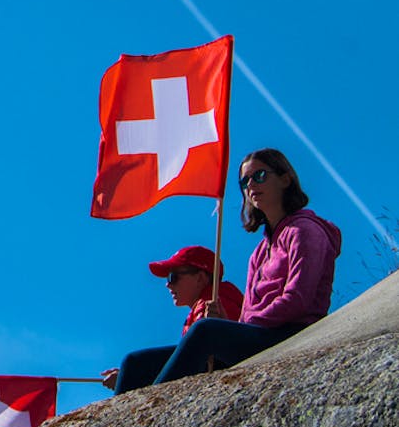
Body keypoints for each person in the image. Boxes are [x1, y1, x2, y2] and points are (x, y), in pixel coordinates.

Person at [151, 148, 342, 385]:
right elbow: (247, 312)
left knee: (205, 332)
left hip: (293, 332)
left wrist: (242, 326)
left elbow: (298, 301)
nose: (251, 185)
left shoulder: (306, 231)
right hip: (260, 334)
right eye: (244, 181)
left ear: (285, 179)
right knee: (137, 363)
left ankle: (162, 412)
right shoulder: (259, 253)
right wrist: (230, 324)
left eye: (259, 176)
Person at [101, 246, 243, 395]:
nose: (168, 284)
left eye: (173, 277)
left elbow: (203, 359)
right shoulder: (213, 300)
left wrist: (134, 374)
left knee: (134, 363)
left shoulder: (214, 300)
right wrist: (129, 376)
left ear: (200, 278)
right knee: (133, 367)